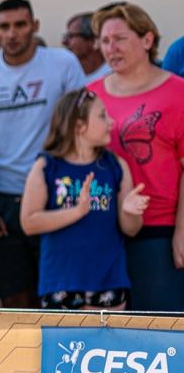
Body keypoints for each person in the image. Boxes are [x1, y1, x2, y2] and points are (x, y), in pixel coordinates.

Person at [0, 0, 87, 308]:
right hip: (2, 199)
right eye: (4, 26)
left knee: (62, 297)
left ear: (35, 26)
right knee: (15, 301)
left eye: (20, 25)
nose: (12, 33)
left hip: (55, 195)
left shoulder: (63, 63)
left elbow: (79, 130)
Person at [90, 2, 184, 312]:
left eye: (120, 38)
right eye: (105, 41)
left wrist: (182, 230)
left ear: (147, 39)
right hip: (101, 232)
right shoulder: (88, 96)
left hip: (159, 233)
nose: (111, 48)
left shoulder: (178, 93)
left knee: (158, 329)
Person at [19, 90, 147, 310]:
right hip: (60, 282)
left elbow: (131, 229)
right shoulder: (46, 167)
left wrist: (130, 212)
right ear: (79, 126)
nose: (112, 122)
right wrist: (77, 212)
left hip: (109, 281)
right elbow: (29, 222)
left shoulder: (115, 165)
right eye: (102, 116)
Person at [63, 12, 111, 81]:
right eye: (66, 36)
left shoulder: (113, 76)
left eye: (71, 36)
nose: (64, 42)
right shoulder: (66, 74)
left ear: (93, 41)